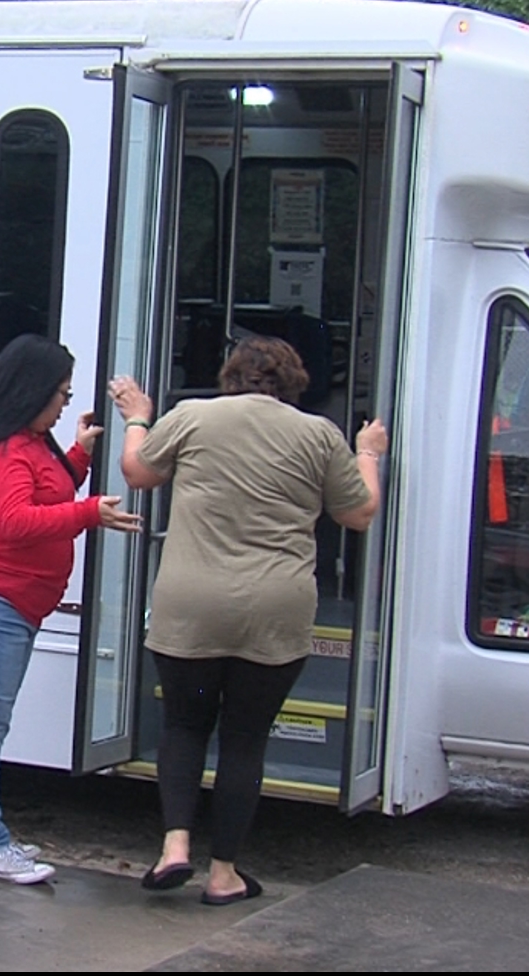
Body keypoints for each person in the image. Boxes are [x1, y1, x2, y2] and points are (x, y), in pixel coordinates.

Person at [108, 336, 387, 905]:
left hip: (192, 604)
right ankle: (224, 874)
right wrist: (370, 453)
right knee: (244, 739)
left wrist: (138, 418)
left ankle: (175, 846)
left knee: (185, 725)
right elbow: (358, 513)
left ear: (230, 376)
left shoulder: (192, 416)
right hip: (273, 609)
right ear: (295, 383)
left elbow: (138, 473)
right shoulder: (318, 434)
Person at [0, 334, 142, 885]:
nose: (64, 405)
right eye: (62, 396)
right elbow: (16, 521)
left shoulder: (29, 441)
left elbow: (47, 492)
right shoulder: (1, 448)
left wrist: (80, 454)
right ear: (32, 392)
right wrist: (91, 512)